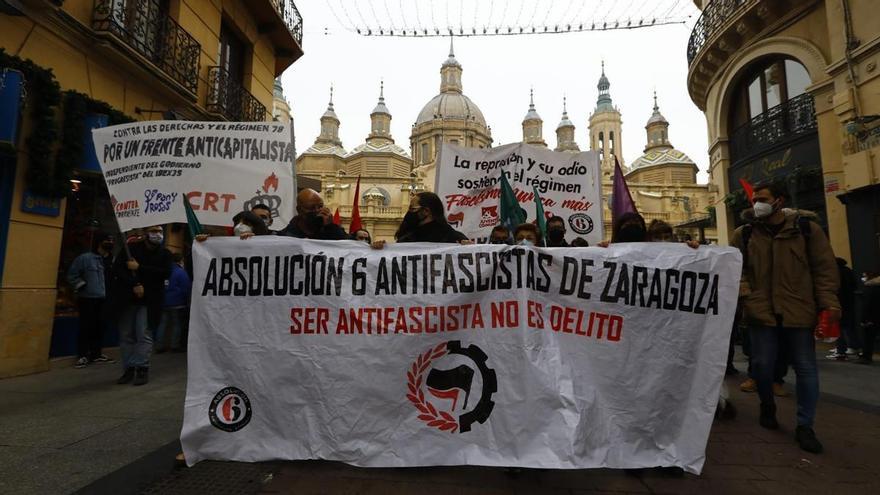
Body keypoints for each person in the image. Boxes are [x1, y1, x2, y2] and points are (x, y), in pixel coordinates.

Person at [731, 181, 839, 453]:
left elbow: (824, 271)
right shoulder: (743, 234)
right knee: (762, 366)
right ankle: (767, 404)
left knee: (805, 368)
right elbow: (735, 270)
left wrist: (829, 305)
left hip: (798, 310)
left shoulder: (807, 231)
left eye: (763, 198)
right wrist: (747, 296)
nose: (757, 203)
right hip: (761, 313)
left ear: (779, 200)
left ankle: (805, 425)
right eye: (755, 198)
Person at [110, 225, 173, 386]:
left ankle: (142, 367)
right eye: (154, 231)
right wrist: (134, 283)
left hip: (150, 301)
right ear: (145, 233)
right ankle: (129, 368)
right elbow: (118, 269)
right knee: (126, 335)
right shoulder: (130, 250)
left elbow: (165, 273)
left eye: (160, 231)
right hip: (128, 300)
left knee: (144, 334)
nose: (157, 234)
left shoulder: (165, 254)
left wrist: (140, 268)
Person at [66, 232, 116, 368]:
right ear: (99, 242)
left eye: (111, 241)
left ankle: (96, 353)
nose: (110, 243)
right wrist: (82, 286)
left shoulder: (113, 260)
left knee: (100, 327)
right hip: (88, 298)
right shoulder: (85, 259)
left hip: (105, 299)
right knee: (85, 327)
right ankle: (82, 355)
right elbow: (72, 275)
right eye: (107, 240)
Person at [391, 192, 469, 244]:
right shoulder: (407, 238)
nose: (409, 213)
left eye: (413, 209)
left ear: (426, 211)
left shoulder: (454, 238)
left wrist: (468, 248)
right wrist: (381, 250)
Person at [155, 253, 191, 353]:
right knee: (177, 324)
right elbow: (186, 288)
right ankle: (174, 345)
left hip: (164, 301)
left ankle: (159, 346)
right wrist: (186, 300)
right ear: (180, 260)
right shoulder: (181, 272)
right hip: (177, 302)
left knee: (162, 324)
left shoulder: (165, 271)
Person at [278, 189, 349, 240]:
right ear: (299, 210)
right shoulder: (286, 237)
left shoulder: (330, 230)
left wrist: (330, 228)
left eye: (320, 206)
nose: (317, 210)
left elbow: (348, 243)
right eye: (311, 208)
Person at [827, 258, 859, 360]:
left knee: (839, 327)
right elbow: (854, 285)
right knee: (848, 326)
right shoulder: (848, 271)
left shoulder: (835, 272)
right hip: (849, 302)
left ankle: (841, 350)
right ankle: (853, 346)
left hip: (839, 302)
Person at [857, 271, 880, 365]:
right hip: (877, 316)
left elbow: (867, 305)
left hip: (871, 317)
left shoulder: (870, 288)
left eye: (864, 276)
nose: (863, 278)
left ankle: (866, 357)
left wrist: (864, 319)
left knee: (868, 338)